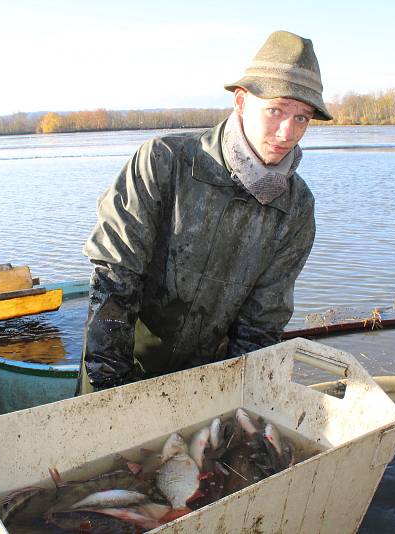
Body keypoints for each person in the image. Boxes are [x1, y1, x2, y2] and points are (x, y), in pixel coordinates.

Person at [76, 30, 332, 394]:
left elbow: (262, 321)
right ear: (241, 102)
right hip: (120, 366)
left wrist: (241, 397)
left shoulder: (296, 208)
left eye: (302, 118)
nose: (287, 132)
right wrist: (111, 390)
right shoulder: (164, 162)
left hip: (209, 382)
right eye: (275, 110)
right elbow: (114, 278)